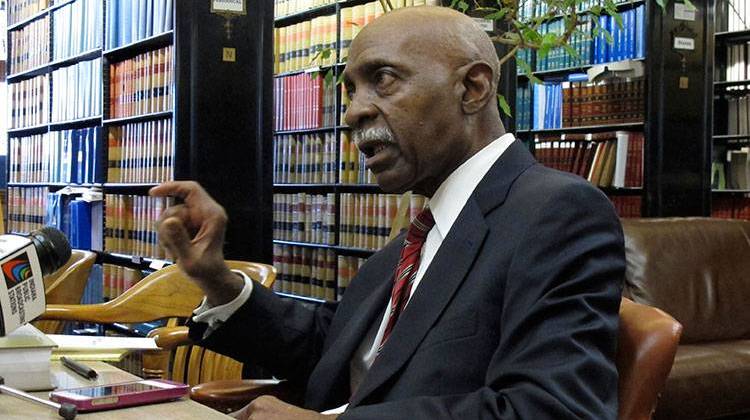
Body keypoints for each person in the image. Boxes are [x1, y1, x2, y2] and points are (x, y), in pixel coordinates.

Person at [150, 6, 624, 419]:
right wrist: (217, 278)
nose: (355, 111)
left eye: (383, 80)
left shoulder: (558, 213)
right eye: (351, 90)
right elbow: (331, 348)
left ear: (473, 88)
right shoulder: (416, 237)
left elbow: (551, 408)